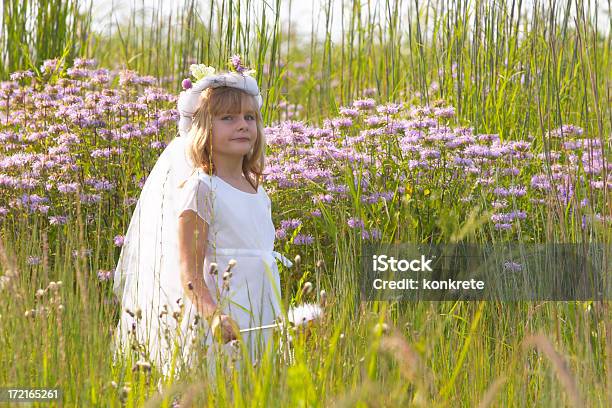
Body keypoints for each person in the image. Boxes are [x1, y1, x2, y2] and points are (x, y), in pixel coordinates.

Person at [112, 60, 292, 377]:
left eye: (250, 117)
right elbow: (190, 270)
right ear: (203, 128)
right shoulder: (202, 188)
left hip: (261, 311)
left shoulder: (256, 189)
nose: (243, 125)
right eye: (228, 118)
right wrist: (213, 315)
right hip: (223, 315)